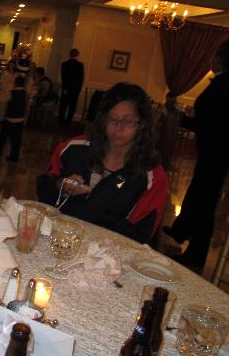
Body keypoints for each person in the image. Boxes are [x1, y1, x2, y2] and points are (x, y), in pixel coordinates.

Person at [37, 82, 168, 244]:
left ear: (142, 125)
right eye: (112, 119)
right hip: (58, 241)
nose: (118, 128)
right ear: (103, 119)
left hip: (107, 252)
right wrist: (60, 186)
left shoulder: (152, 176)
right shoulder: (72, 149)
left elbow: (138, 234)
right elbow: (43, 194)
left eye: (128, 121)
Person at [162, 40, 229, 272]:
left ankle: (195, 255)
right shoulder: (222, 84)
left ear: (220, 59)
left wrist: (180, 117)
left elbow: (207, 123)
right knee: (198, 195)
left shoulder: (222, 86)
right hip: (216, 152)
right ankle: (181, 231)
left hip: (215, 153)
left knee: (204, 203)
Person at [0, 75, 28, 162]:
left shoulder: (12, 93)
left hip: (10, 119)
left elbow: (2, 99)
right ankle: (14, 156)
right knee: (16, 140)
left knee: (2, 137)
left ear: (15, 83)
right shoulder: (25, 93)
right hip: (20, 120)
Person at [59, 48, 84, 126]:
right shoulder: (80, 65)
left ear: (70, 54)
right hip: (75, 90)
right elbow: (80, 79)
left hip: (66, 89)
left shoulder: (64, 64)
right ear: (77, 55)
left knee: (63, 106)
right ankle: (68, 122)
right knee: (72, 107)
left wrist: (64, 88)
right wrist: (78, 90)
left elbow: (63, 77)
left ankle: (61, 121)